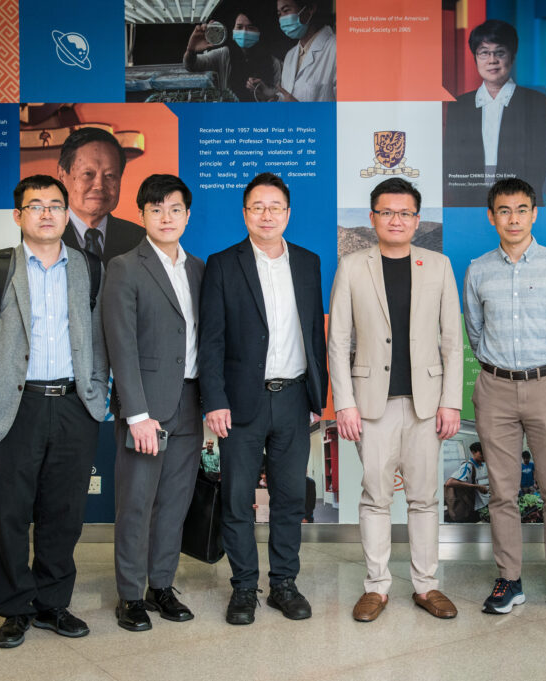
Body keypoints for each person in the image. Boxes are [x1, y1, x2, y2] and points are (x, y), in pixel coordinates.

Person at [0, 175, 109, 648]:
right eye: (35, 205)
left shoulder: (90, 268)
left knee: (63, 513)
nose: (46, 213)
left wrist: (99, 395)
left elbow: (101, 340)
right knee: (10, 512)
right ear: (17, 215)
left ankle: (52, 604)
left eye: (55, 205)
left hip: (73, 407)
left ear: (67, 214)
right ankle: (15, 607)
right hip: (14, 407)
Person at [328, 177, 462, 623]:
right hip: (371, 404)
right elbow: (338, 339)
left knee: (425, 499)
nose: (396, 220)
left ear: (417, 220)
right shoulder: (352, 266)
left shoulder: (439, 265)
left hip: (426, 404)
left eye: (405, 213)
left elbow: (451, 342)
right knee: (375, 498)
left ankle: (426, 585)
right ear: (372, 218)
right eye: (386, 212)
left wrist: (451, 402)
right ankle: (377, 587)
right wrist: (343, 403)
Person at [198, 173, 328, 626]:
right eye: (258, 206)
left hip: (293, 398)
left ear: (288, 213)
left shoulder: (308, 263)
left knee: (290, 498)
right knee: (237, 500)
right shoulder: (222, 263)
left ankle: (284, 584)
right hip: (240, 403)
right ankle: (244, 588)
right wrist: (214, 400)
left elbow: (315, 333)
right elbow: (210, 341)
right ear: (245, 213)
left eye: (276, 207)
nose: (267, 214)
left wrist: (318, 393)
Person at [463, 177, 546, 617]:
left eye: (521, 209)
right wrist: (503, 373)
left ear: (534, 213)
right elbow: (475, 334)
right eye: (503, 210)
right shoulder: (478, 269)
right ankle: (509, 580)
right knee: (502, 491)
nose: (512, 219)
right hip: (494, 388)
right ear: (490, 216)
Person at [102, 174, 205, 632]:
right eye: (157, 208)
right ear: (141, 214)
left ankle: (161, 585)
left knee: (175, 503)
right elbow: (120, 344)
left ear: (187, 214)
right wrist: (136, 413)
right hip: (145, 408)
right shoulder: (125, 266)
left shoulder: (200, 269)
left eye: (176, 208)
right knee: (137, 504)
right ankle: (129, 595)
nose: (167, 217)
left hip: (190, 401)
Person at [443, 19, 546, 207]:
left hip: (522, 204)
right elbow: (452, 163)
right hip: (469, 207)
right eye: (484, 53)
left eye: (500, 52)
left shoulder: (536, 103)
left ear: (512, 56)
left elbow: (540, 164)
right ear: (475, 57)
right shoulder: (459, 106)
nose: (492, 60)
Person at [57, 127, 144, 264]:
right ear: (62, 175)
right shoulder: (34, 237)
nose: (99, 185)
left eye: (110, 175)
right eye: (88, 174)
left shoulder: (141, 241)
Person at [184, 6, 282, 102]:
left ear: (260, 30)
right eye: (239, 27)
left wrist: (265, 93)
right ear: (233, 31)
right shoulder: (223, 55)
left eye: (250, 27)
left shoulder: (274, 63)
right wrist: (191, 50)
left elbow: (279, 96)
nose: (244, 32)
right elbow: (192, 66)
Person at [275, 0, 335, 102]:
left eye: (286, 10)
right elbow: (288, 97)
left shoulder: (337, 48)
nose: (282, 19)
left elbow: (348, 112)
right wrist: (274, 98)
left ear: (310, 9)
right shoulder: (290, 55)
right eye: (279, 14)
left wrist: (300, 110)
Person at [445, 441, 490, 522]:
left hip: (483, 505)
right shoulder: (467, 466)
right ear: (473, 452)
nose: (485, 456)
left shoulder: (484, 465)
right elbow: (450, 482)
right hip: (472, 507)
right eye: (482, 454)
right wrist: (477, 486)